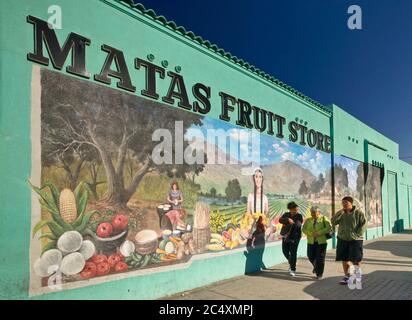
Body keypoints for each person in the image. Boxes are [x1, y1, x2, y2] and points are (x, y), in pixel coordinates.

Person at [331, 196, 367, 285]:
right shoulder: (341, 213)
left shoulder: (358, 213)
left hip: (355, 240)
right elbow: (333, 221)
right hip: (343, 239)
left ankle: (358, 276)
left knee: (356, 260)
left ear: (351, 203)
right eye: (343, 203)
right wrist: (339, 212)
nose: (344, 204)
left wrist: (357, 235)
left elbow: (364, 224)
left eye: (346, 203)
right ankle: (347, 276)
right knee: (344, 259)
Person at [302, 206, 332, 279]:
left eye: (314, 213)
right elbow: (303, 229)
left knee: (320, 258)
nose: (313, 214)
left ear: (319, 212)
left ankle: (319, 274)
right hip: (311, 241)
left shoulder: (324, 219)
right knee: (310, 255)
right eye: (311, 213)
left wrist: (319, 233)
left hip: (321, 242)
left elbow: (328, 228)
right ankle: (316, 266)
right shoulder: (308, 220)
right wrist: (310, 233)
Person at [279, 201, 303, 276]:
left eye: (297, 209)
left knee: (293, 252)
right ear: (290, 209)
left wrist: (289, 223)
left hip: (295, 237)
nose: (296, 211)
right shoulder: (286, 215)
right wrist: (288, 220)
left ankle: (293, 269)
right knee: (285, 251)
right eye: (295, 209)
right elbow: (280, 220)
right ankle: (292, 261)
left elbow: (297, 225)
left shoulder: (299, 216)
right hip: (286, 236)